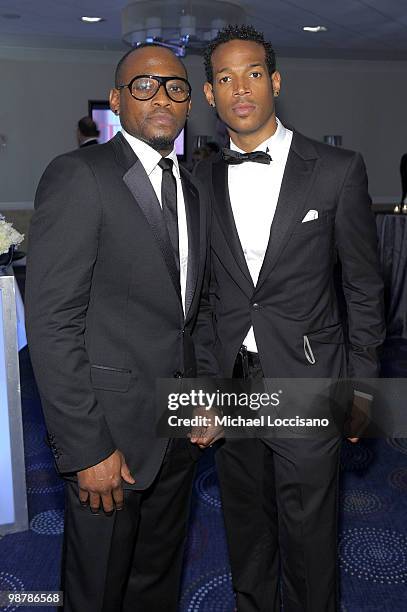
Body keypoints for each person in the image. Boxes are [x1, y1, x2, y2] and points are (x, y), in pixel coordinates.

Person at [195, 24, 385, 612]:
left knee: (309, 538)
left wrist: (364, 386)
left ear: (275, 81)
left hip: (310, 376)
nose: (240, 88)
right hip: (232, 381)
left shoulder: (336, 169)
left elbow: (363, 285)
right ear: (209, 95)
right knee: (246, 532)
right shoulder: (198, 176)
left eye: (253, 73)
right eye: (224, 78)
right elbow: (199, 296)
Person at [25, 44, 218, 612]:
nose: (162, 96)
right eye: (144, 85)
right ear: (115, 99)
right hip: (108, 438)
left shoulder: (195, 188)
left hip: (177, 432)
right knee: (97, 591)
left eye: (176, 87)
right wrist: (87, 449)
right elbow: (52, 324)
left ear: (189, 104)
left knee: (157, 582)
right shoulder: (78, 175)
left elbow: (197, 308)